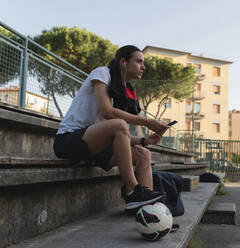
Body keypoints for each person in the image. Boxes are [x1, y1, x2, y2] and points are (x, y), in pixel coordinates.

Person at [53, 45, 169, 210]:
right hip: (69, 140)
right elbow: (106, 111)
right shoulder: (102, 73)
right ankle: (132, 191)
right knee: (120, 124)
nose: (143, 66)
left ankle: (150, 212)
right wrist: (147, 122)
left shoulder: (123, 89)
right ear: (123, 62)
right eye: (138, 61)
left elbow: (119, 137)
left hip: (95, 145)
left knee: (144, 154)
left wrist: (145, 140)